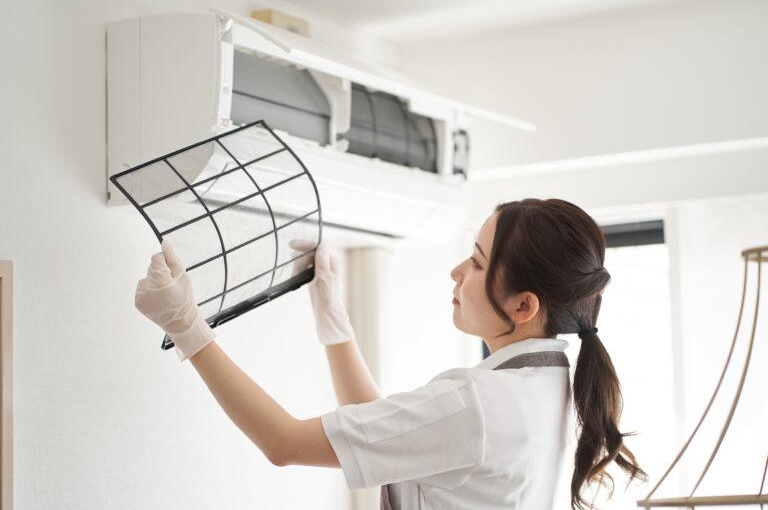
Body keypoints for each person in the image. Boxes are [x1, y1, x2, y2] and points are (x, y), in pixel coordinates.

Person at [135, 197, 646, 509]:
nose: (456, 272)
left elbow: (283, 443)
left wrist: (188, 327)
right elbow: (389, 437)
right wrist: (335, 323)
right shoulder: (547, 384)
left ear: (524, 304)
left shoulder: (480, 403)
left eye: (475, 262)